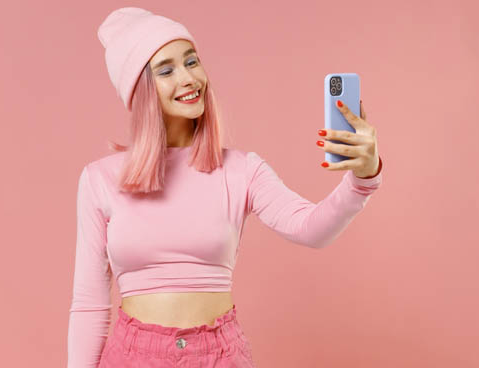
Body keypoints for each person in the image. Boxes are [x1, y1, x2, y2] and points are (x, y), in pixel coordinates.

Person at [69, 7, 383, 367]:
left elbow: (310, 228)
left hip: (218, 356)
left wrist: (362, 178)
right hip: (130, 356)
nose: (188, 78)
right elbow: (89, 305)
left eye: (192, 61)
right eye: (166, 70)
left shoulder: (241, 170)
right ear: (139, 89)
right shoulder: (100, 179)